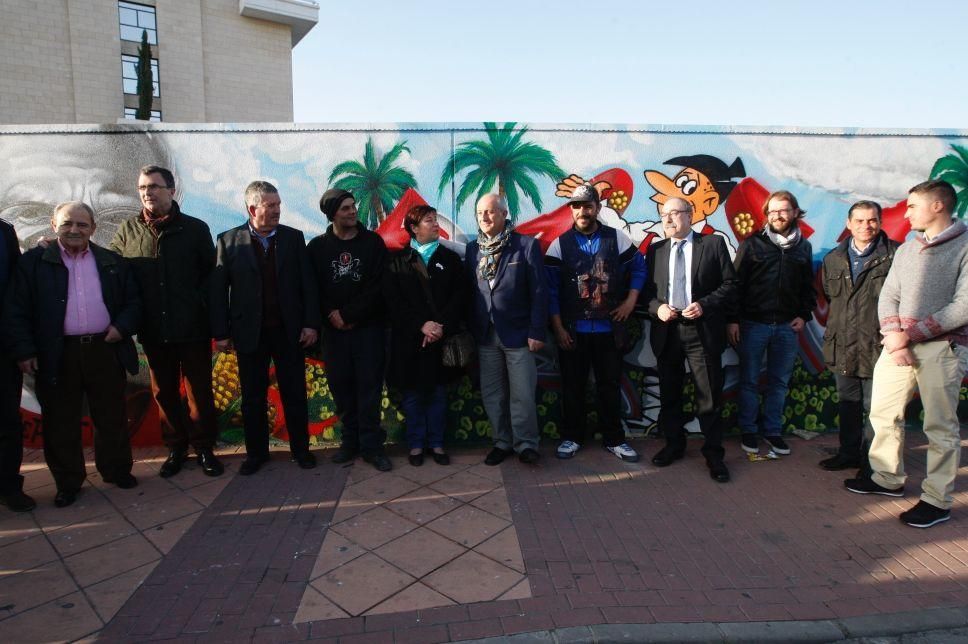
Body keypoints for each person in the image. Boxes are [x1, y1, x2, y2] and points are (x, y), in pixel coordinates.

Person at [845, 180, 968, 529]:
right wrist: (892, 335)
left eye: (913, 205)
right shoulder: (907, 250)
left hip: (944, 348)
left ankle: (936, 499)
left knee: (940, 425)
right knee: (883, 413)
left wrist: (908, 335)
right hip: (898, 345)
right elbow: (889, 295)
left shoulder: (965, 245)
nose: (907, 211)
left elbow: (964, 306)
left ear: (938, 206)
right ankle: (886, 478)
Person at [5, 201, 141, 507]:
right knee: (60, 421)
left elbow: (133, 301)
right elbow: (17, 310)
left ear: (93, 228)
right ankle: (68, 482)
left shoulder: (111, 261)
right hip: (57, 352)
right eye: (67, 224)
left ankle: (116, 470)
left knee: (111, 415)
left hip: (104, 348)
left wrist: (121, 327)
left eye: (82, 224)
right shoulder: (34, 263)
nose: (75, 230)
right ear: (54, 225)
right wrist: (25, 350)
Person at [110, 165, 223, 478]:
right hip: (153, 329)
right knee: (164, 393)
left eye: (154, 186)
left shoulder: (195, 229)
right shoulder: (128, 231)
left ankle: (204, 448)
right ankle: (176, 447)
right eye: (143, 187)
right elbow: (111, 269)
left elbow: (211, 278)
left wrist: (205, 313)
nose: (148, 192)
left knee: (199, 391)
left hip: (193, 328)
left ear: (172, 191)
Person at [210, 181, 319, 476]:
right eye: (270, 206)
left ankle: (301, 451)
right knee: (253, 398)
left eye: (278, 205)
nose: (277, 211)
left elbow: (307, 285)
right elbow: (218, 291)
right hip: (250, 334)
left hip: (288, 332)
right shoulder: (228, 241)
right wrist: (220, 332)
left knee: (295, 393)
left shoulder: (293, 239)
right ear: (252, 208)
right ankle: (256, 454)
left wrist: (310, 324)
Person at [545, 184, 645, 462]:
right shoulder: (559, 245)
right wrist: (558, 327)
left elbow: (639, 267)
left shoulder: (617, 239)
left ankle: (614, 439)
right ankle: (572, 437)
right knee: (573, 387)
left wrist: (630, 301)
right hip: (573, 332)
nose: (582, 211)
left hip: (609, 331)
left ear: (597, 208)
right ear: (572, 210)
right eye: (576, 206)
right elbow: (550, 290)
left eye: (587, 205)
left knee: (609, 386)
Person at [643, 198, 737, 482]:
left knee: (708, 395)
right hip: (668, 331)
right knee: (670, 393)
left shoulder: (713, 245)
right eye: (663, 215)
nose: (668, 219)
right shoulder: (656, 250)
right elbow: (646, 291)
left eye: (674, 213)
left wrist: (705, 304)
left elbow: (730, 284)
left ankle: (714, 454)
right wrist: (656, 307)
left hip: (702, 331)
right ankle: (674, 444)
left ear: (690, 214)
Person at [728, 190, 816, 456]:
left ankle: (773, 431)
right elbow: (734, 285)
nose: (778, 215)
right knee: (749, 381)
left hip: (787, 327)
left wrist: (804, 314)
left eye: (784, 210)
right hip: (753, 324)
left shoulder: (803, 247)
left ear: (795, 212)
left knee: (779, 382)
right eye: (773, 211)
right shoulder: (752, 244)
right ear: (766, 214)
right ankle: (748, 430)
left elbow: (807, 287)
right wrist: (732, 320)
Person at [308, 189, 390, 472]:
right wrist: (333, 315)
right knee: (341, 388)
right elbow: (313, 288)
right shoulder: (317, 248)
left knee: (369, 388)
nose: (353, 212)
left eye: (353, 206)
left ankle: (372, 446)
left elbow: (380, 288)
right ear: (332, 214)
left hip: (368, 330)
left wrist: (349, 314)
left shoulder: (373, 243)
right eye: (345, 208)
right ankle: (350, 442)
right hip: (335, 334)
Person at [465, 193, 547, 466]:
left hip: (519, 334)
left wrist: (537, 331)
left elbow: (539, 292)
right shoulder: (472, 250)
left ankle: (526, 444)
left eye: (489, 212)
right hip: (486, 335)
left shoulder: (525, 246)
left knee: (522, 394)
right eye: (479, 214)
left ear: (503, 213)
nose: (484, 218)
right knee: (493, 394)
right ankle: (502, 442)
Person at [819, 201, 897, 472]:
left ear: (880, 222)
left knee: (877, 408)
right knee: (848, 404)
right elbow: (832, 297)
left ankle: (873, 461)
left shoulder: (896, 256)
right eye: (860, 221)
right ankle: (848, 453)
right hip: (843, 345)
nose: (866, 226)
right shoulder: (833, 259)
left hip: (879, 346)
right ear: (849, 224)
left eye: (872, 220)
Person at [383, 205, 465, 466]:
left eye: (435, 220)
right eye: (428, 221)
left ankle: (437, 444)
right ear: (413, 228)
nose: (434, 224)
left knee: (438, 394)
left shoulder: (450, 259)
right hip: (410, 342)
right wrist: (421, 325)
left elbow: (459, 298)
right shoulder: (397, 262)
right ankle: (416, 444)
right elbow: (394, 303)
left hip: (440, 341)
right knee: (413, 395)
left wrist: (440, 326)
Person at [0, 218, 33, 511]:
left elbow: (16, 291)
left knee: (7, 422)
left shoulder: (3, 232)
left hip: (3, 348)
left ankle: (9, 486)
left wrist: (21, 347)